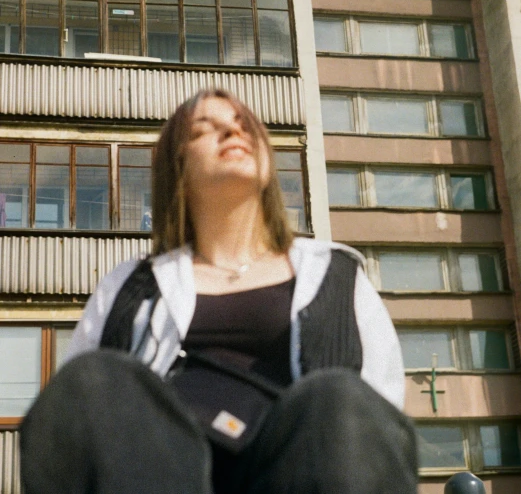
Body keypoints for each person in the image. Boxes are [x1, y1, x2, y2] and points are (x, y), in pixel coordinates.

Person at [20, 88, 417, 494]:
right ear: (178, 167)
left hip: (302, 469)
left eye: (243, 124)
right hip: (157, 473)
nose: (231, 130)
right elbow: (80, 421)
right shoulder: (129, 286)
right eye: (203, 129)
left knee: (339, 399)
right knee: (94, 378)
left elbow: (379, 413)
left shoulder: (337, 274)